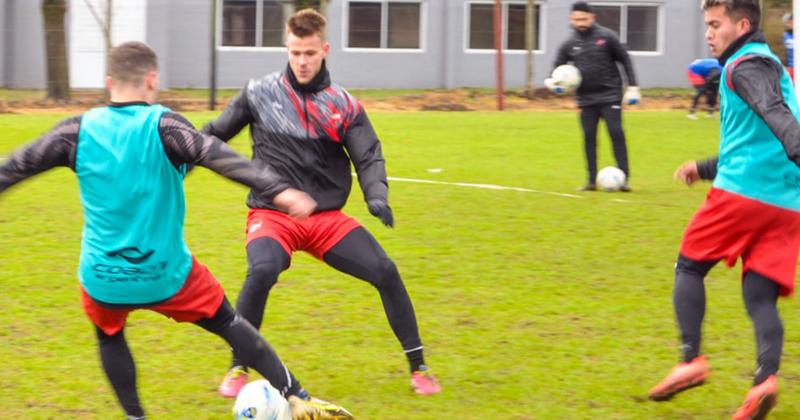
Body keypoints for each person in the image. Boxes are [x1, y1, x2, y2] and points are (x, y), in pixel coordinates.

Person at [0, 41, 352, 420]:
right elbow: (218, 156)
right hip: (167, 275)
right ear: (151, 80)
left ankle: (136, 416)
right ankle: (297, 396)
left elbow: (15, 166)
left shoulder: (76, 130)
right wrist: (280, 191)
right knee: (230, 323)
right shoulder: (165, 124)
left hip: (103, 278)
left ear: (108, 82)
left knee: (109, 334)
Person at [203, 9, 441, 397]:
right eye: (296, 52)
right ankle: (238, 365)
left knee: (385, 270)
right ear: (287, 46)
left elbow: (368, 155)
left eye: (310, 53)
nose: (301, 61)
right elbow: (212, 136)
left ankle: (419, 366)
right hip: (272, 212)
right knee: (261, 270)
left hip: (324, 217)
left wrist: (376, 194)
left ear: (325, 49)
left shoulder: (343, 105)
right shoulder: (259, 93)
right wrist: (176, 150)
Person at [648, 1, 800, 418]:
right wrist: (704, 167)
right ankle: (764, 381)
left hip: (743, 195)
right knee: (760, 295)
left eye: (716, 24)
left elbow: (773, 113)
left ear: (743, 24)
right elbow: (761, 135)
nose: (709, 33)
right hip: (789, 203)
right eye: (707, 25)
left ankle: (690, 359)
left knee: (690, 266)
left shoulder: (744, 66)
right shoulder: (769, 64)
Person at [548, 1, 639, 192]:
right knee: (589, 137)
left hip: (610, 95)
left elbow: (625, 60)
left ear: (592, 18)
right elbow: (556, 68)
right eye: (576, 19)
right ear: (571, 19)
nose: (580, 23)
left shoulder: (607, 37)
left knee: (616, 133)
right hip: (586, 100)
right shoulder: (569, 44)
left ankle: (623, 178)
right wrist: (553, 83)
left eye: (584, 19)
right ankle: (591, 180)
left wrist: (632, 86)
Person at [783, 12, 794, 80]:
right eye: (787, 23)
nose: (788, 24)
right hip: (792, 67)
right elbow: (790, 44)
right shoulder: (786, 35)